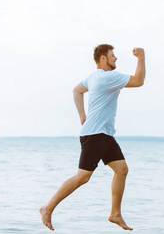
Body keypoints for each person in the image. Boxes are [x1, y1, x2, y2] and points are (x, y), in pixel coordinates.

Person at [40, 44, 146, 231]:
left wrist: (82, 115)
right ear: (103, 58)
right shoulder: (108, 77)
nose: (116, 59)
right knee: (82, 177)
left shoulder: (93, 77)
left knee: (121, 169)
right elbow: (138, 81)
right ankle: (47, 208)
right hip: (95, 135)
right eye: (113, 55)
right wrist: (141, 57)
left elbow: (77, 91)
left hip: (104, 134)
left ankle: (115, 214)